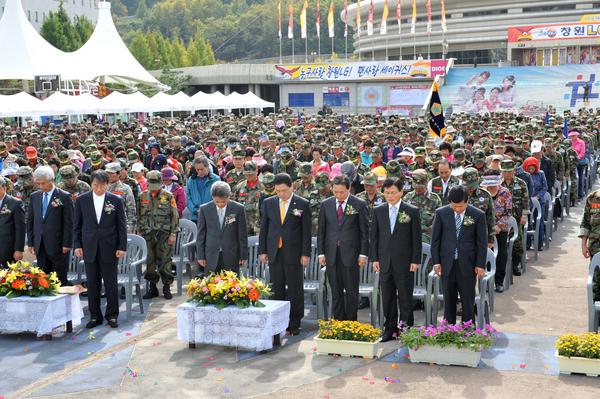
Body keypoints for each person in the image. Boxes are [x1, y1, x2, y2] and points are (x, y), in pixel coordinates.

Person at [73, 170, 127, 329]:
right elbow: (77, 225)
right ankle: (95, 316)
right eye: (95, 185)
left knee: (111, 283)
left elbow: (121, 226)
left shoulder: (115, 200)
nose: (98, 189)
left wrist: (121, 246)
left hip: (109, 246)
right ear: (91, 184)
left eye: (102, 185)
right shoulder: (82, 200)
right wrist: (77, 245)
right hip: (89, 246)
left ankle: (112, 315)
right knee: (92, 283)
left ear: (107, 185)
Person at [259, 173, 312, 335]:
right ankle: (278, 321)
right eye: (278, 191)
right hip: (275, 250)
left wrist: (305, 253)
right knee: (277, 287)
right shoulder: (269, 203)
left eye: (284, 191)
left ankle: (295, 322)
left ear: (292, 187)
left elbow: (306, 232)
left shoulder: (302, 204)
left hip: (294, 252)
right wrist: (263, 250)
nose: (281, 194)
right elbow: (264, 228)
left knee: (295, 288)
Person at [370, 177, 421, 340]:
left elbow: (416, 238)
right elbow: (375, 237)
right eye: (387, 193)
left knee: (405, 298)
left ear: (401, 192)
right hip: (385, 261)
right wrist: (375, 259)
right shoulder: (378, 211)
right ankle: (389, 329)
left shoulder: (411, 211)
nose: (390, 196)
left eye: (393, 193)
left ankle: (406, 329)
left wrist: (415, 260)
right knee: (388, 297)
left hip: (405, 262)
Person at [431, 186, 488, 325]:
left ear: (467, 201)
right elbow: (435, 240)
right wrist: (436, 262)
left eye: (460, 206)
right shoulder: (441, 213)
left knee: (467, 300)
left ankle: (468, 329)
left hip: (467, 264)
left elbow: (482, 242)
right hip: (447, 263)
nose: (457, 209)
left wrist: (480, 264)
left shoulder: (477, 215)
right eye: (454, 206)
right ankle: (449, 329)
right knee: (448, 299)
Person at [317, 175, 369, 321]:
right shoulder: (326, 204)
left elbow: (365, 232)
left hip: (351, 254)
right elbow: (321, 231)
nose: (338, 195)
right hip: (331, 254)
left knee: (352, 291)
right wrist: (321, 253)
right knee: (335, 290)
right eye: (335, 192)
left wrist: (363, 254)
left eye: (341, 192)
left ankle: (351, 322)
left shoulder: (358, 204)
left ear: (349, 189)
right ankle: (339, 322)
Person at [26, 166, 73, 285]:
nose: (41, 186)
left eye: (43, 183)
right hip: (40, 244)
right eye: (38, 184)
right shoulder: (34, 196)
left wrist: (67, 243)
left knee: (59, 280)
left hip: (58, 245)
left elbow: (69, 222)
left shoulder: (64, 196)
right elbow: (31, 220)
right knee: (43, 280)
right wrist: (31, 242)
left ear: (52, 180)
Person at [138, 171, 180, 299]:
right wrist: (139, 230)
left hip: (164, 234)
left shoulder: (168, 196)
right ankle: (152, 288)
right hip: (147, 234)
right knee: (149, 262)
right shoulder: (142, 196)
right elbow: (138, 215)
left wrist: (173, 233)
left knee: (165, 261)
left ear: (161, 182)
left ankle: (166, 287)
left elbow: (175, 215)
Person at [197, 181, 248, 275]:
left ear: (229, 196)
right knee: (210, 284)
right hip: (211, 254)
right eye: (217, 201)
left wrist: (243, 255)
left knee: (232, 285)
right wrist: (200, 255)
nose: (220, 204)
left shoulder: (238, 208)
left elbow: (242, 233)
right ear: (212, 197)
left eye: (223, 201)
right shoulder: (204, 209)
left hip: (231, 254)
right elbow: (201, 234)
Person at [481, 171, 512, 293]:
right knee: (486, 254)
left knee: (501, 254)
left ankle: (499, 281)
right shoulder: (482, 193)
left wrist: (498, 226)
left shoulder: (505, 192)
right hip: (484, 228)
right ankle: (487, 280)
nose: (491, 186)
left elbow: (508, 213)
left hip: (501, 228)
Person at [579, 189, 600, 304]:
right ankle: (596, 318)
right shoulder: (592, 198)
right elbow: (585, 223)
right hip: (596, 250)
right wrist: (583, 245)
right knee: (596, 285)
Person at [186, 156, 220, 223]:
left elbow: (218, 197)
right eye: (197, 170)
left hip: (211, 216)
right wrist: (194, 210)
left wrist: (206, 210)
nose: (200, 172)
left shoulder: (216, 179)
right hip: (195, 216)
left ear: (207, 167)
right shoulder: (191, 180)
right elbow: (188, 197)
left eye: (202, 169)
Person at [0, 178, 25, 268]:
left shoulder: (15, 203)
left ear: (4, 188)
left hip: (8, 250)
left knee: (7, 279)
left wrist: (18, 249)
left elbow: (20, 228)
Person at [569, 131, 587, 200]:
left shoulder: (581, 142)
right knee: (571, 179)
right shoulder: (569, 143)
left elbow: (582, 153)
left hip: (579, 162)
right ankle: (571, 196)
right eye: (571, 136)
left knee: (580, 178)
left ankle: (580, 194)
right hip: (570, 163)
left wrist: (575, 158)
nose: (573, 137)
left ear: (577, 136)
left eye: (574, 136)